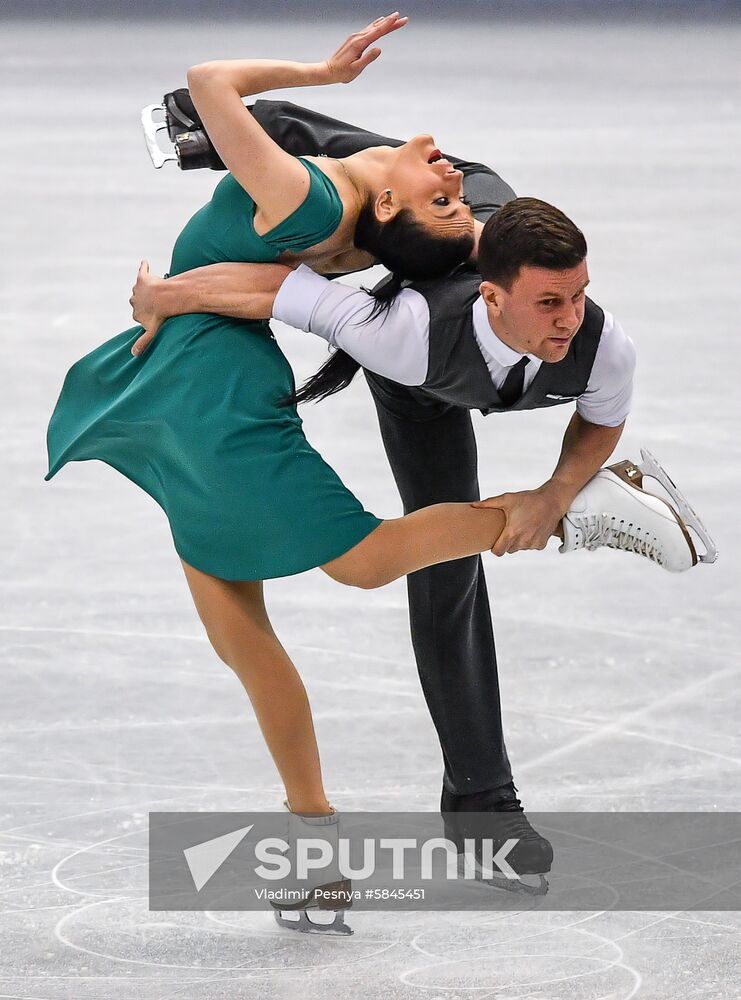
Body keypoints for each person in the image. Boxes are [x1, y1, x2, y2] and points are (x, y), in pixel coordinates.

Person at [128, 98, 714, 909]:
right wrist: (171, 295)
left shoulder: (599, 342)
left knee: (441, 204)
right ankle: (256, 118)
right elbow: (273, 284)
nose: (569, 319)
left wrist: (554, 493)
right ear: (493, 298)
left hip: (485, 240)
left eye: (578, 297)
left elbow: (599, 420)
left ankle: (474, 804)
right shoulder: (400, 331)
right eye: (549, 303)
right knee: (380, 189)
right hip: (424, 377)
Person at [44, 15, 540, 834]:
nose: (448, 176)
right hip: (191, 375)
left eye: (444, 199)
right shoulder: (354, 208)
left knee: (365, 561)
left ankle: (558, 514)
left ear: (387, 203)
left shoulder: (306, 199)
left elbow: (210, 81)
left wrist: (322, 73)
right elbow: (411, 207)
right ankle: (313, 839)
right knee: (241, 639)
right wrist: (466, 223)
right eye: (449, 200)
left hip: (210, 390)